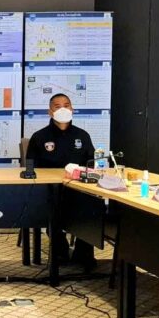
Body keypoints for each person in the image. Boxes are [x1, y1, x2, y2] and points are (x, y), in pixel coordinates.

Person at [26, 93, 97, 270]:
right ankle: (60, 250)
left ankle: (83, 252)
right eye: (57, 106)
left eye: (66, 105)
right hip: (50, 191)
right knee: (53, 209)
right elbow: (30, 167)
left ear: (72, 109)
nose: (63, 109)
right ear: (50, 112)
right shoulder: (39, 137)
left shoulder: (83, 136)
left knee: (92, 206)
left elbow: (92, 164)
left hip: (78, 189)